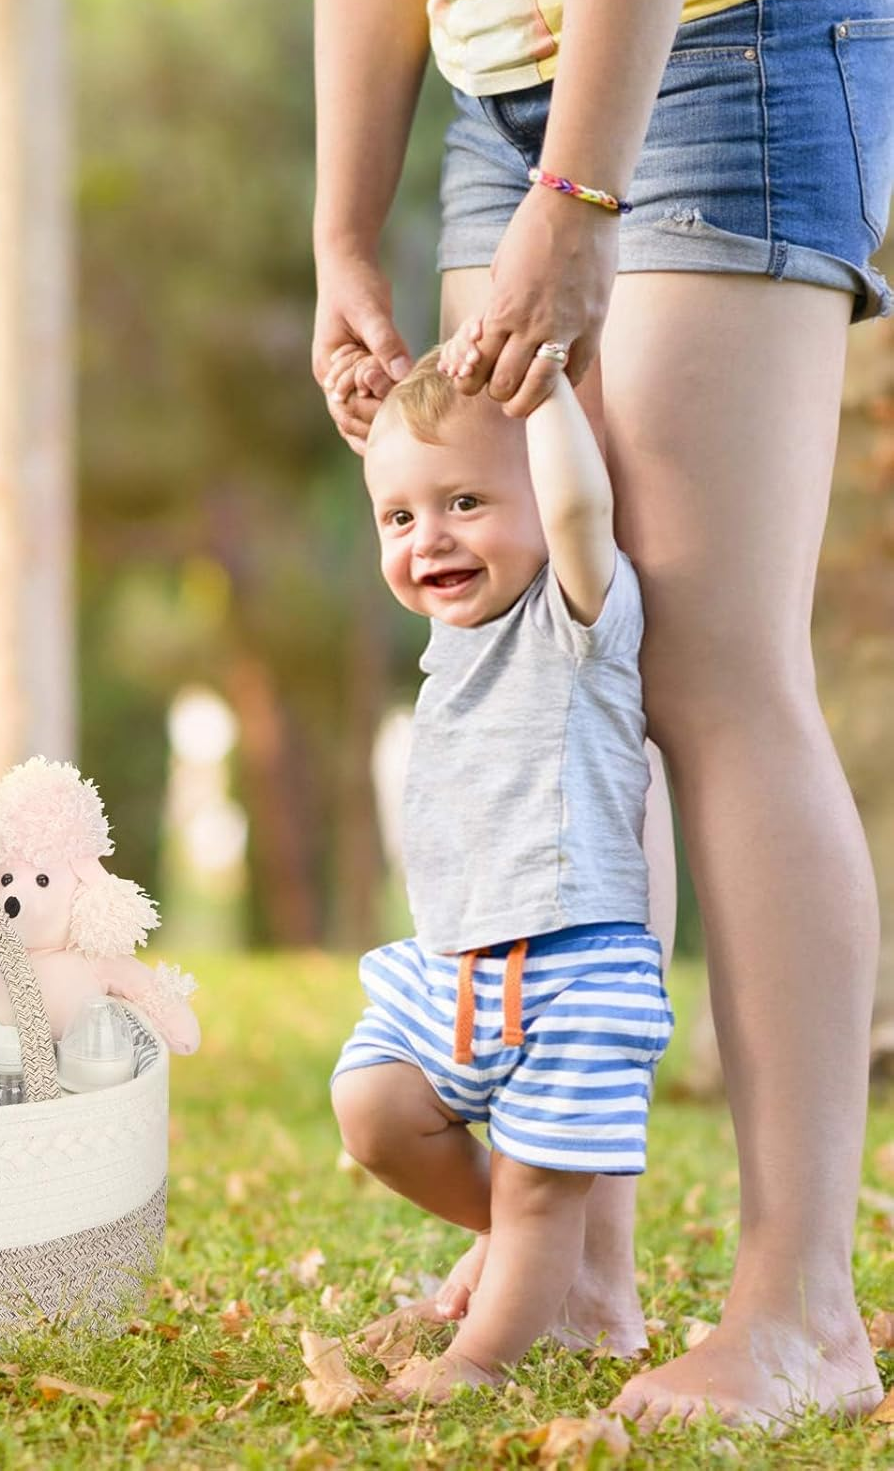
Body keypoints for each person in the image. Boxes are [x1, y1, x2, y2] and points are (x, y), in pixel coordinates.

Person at [313, 0, 893, 1428]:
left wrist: (579, 188)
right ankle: (577, 1276)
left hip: (723, 33)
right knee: (555, 669)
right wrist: (338, 231)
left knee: (710, 667)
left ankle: (802, 1316)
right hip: (493, 86)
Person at [332, 335, 675, 1400]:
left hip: (572, 968)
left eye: (467, 503)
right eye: (400, 517)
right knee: (373, 1109)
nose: (429, 537)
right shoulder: (449, 643)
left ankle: (483, 1354)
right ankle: (539, 1242)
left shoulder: (576, 618)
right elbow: (420, 480)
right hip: (452, 969)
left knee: (535, 1197)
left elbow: (576, 510)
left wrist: (545, 395)